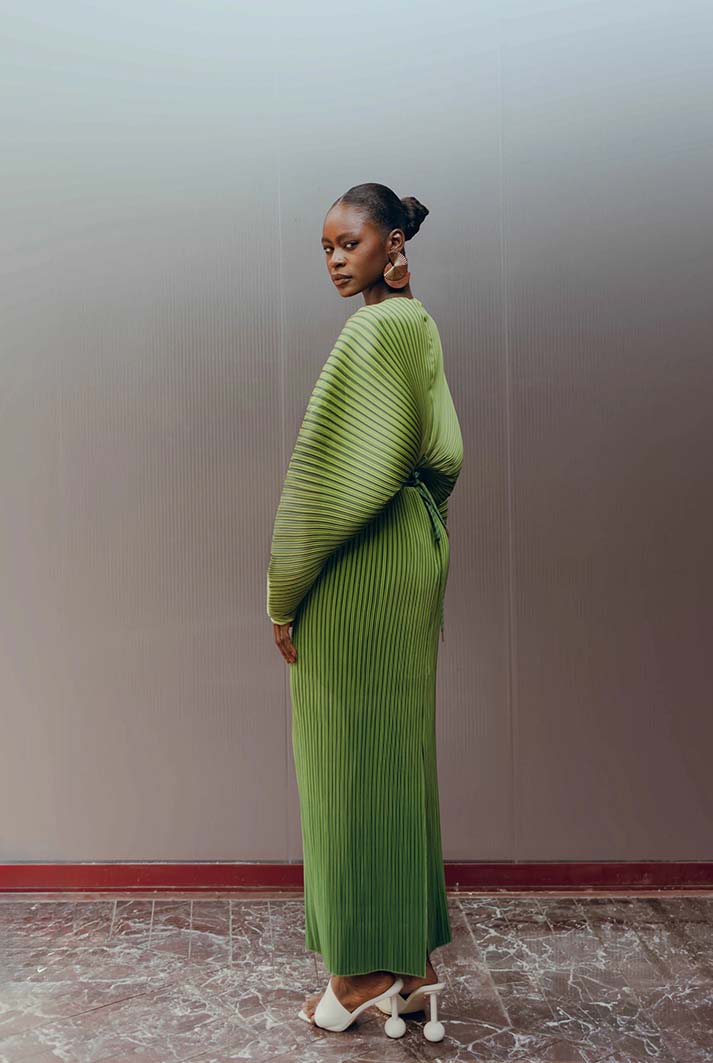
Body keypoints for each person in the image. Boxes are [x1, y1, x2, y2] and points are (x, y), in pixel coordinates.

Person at [266, 182, 463, 1039]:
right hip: (408, 561)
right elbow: (442, 455)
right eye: (326, 248)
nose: (336, 260)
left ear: (392, 244)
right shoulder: (417, 324)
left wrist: (282, 594)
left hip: (356, 571)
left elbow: (323, 481)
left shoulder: (370, 332)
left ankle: (356, 975)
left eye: (349, 243)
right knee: (396, 758)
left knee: (343, 766)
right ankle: (411, 970)